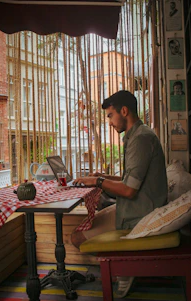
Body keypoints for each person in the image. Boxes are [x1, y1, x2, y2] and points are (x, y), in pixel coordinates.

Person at [71, 90, 168, 298]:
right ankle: (123, 265)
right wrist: (103, 176)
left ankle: (123, 268)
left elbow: (128, 190)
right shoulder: (137, 135)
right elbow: (129, 180)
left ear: (124, 111)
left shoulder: (141, 139)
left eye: (110, 115)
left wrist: (97, 182)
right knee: (87, 223)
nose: (109, 122)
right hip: (134, 206)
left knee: (77, 236)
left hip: (139, 213)